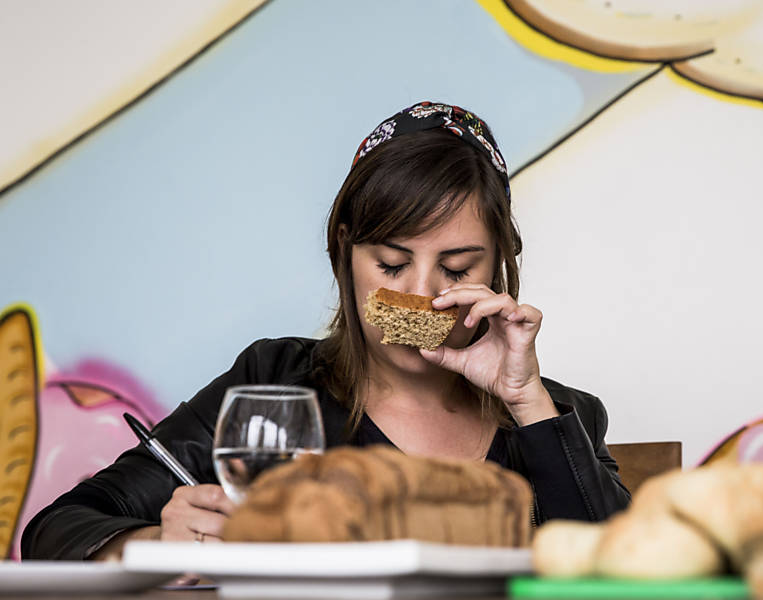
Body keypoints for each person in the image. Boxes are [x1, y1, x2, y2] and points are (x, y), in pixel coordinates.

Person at [22, 101, 631, 561]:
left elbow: (629, 579)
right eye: (391, 265)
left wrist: (526, 402)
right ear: (345, 252)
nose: (419, 294)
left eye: (456, 267)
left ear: (497, 265)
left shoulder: (560, 417)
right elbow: (55, 528)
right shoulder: (273, 381)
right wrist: (157, 541)